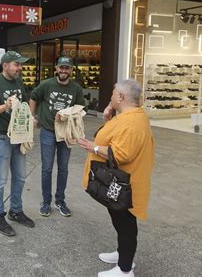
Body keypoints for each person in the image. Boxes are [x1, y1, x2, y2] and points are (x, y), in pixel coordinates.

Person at [78, 79, 155, 277]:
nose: (111, 96)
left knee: (126, 224)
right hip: (121, 182)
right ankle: (122, 254)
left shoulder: (133, 121)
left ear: (120, 97)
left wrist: (92, 146)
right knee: (120, 221)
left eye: (113, 93)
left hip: (126, 185)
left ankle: (125, 269)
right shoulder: (127, 116)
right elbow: (113, 136)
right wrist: (108, 119)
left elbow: (121, 154)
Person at [0, 50, 35, 237]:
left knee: (20, 177)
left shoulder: (19, 82)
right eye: (17, 64)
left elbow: (25, 104)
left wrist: (30, 119)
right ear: (5, 66)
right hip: (0, 137)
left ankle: (16, 211)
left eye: (20, 65)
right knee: (0, 179)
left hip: (19, 137)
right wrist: (5, 106)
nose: (20, 68)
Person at [29, 56, 85, 217]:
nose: (63, 71)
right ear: (56, 68)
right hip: (48, 131)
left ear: (71, 70)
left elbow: (81, 109)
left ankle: (60, 201)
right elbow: (33, 97)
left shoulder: (76, 88)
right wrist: (33, 116)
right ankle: (46, 202)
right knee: (47, 169)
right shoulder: (47, 84)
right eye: (61, 67)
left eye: (67, 68)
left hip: (66, 133)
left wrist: (68, 116)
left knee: (63, 169)